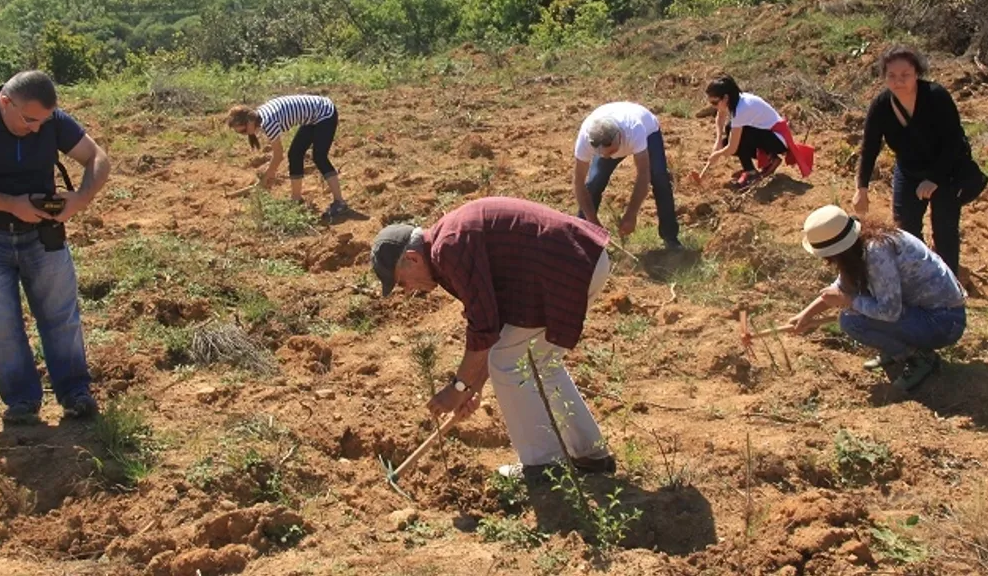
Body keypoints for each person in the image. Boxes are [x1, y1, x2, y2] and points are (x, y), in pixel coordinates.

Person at [370, 197, 615, 483]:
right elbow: (495, 325)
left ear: (412, 258)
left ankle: (544, 466)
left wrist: (458, 388)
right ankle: (590, 455)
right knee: (539, 363)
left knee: (508, 362)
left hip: (568, 266)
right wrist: (473, 388)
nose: (407, 290)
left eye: (402, 281)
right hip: (582, 261)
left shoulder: (449, 248)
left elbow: (484, 328)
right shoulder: (445, 247)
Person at [0, 70, 111, 425]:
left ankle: (75, 393)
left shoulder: (49, 121)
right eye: (30, 120)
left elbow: (97, 157)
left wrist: (81, 198)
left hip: (41, 234)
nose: (36, 129)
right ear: (5, 102)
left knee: (60, 315)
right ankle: (22, 401)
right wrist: (11, 204)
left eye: (43, 122)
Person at [788, 205, 966, 392]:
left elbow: (889, 311)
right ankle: (898, 349)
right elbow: (842, 287)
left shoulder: (877, 253)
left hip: (944, 322)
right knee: (856, 309)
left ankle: (919, 357)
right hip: (927, 312)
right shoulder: (863, 243)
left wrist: (849, 301)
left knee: (852, 321)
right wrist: (806, 315)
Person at [853, 46, 983, 276]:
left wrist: (934, 179)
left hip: (947, 170)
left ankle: (949, 283)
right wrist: (861, 188)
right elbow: (870, 147)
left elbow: (953, 141)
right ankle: (919, 277)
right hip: (909, 170)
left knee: (944, 229)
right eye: (891, 75)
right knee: (906, 229)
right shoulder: (881, 106)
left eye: (905, 75)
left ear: (917, 73)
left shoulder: (936, 96)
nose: (898, 81)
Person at [573, 101, 681, 248]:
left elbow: (643, 174)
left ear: (619, 136)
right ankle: (583, 237)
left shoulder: (635, 129)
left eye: (611, 152)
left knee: (659, 177)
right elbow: (579, 183)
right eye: (601, 154)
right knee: (594, 182)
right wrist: (593, 222)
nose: (607, 157)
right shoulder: (585, 139)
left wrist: (631, 214)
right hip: (613, 125)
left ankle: (670, 237)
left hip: (649, 131)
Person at [226, 94, 349, 220]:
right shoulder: (259, 116)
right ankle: (296, 199)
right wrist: (268, 175)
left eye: (243, 131)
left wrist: (265, 178)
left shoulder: (268, 122)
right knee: (295, 154)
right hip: (313, 117)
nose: (243, 134)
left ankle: (340, 202)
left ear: (250, 121)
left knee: (319, 157)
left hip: (325, 113)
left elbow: (278, 156)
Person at [701, 74, 814, 189]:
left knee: (736, 133)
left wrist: (717, 154)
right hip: (766, 135)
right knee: (728, 135)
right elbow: (721, 116)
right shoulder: (735, 100)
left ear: (725, 98)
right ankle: (769, 159)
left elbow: (732, 148)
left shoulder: (742, 109)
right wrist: (718, 141)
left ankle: (750, 171)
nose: (713, 106)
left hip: (777, 139)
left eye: (715, 103)